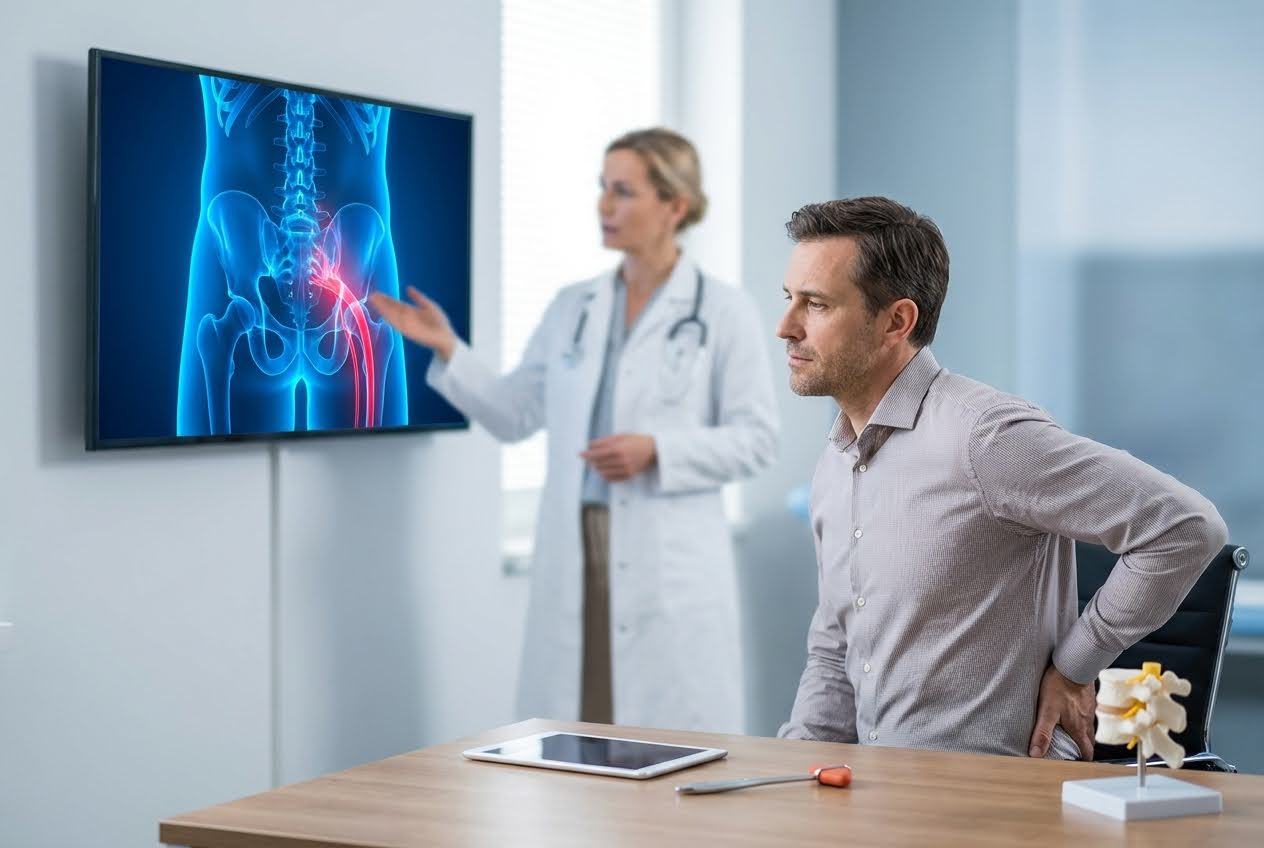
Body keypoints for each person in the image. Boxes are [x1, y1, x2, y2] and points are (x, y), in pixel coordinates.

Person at [774, 196, 1227, 759]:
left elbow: (1186, 526)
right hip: (881, 796)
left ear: (897, 321)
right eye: (789, 299)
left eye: (815, 304)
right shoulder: (838, 458)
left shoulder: (985, 437)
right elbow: (834, 644)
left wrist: (1074, 664)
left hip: (998, 801)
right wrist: (790, 769)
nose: (784, 327)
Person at [369, 128, 779, 733]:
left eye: (624, 191)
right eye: (601, 188)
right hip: (577, 546)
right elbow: (514, 414)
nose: (604, 206)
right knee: (580, 734)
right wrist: (448, 347)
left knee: (666, 745)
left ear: (675, 206)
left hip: (666, 559)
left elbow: (757, 438)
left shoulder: (723, 310)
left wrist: (657, 451)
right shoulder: (574, 307)